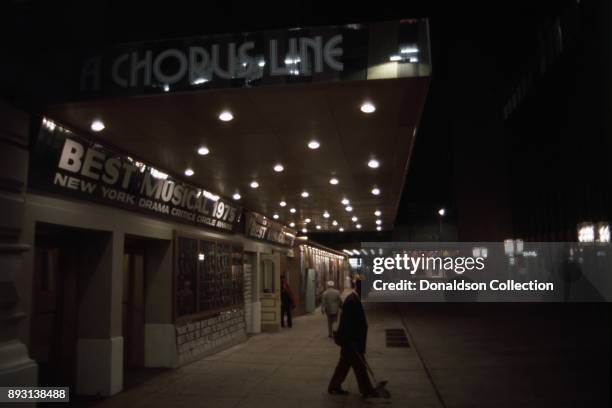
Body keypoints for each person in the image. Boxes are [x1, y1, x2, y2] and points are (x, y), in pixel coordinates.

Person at [328, 280, 380, 398]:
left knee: (345, 364)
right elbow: (347, 323)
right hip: (352, 341)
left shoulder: (354, 299)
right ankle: (366, 389)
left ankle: (334, 386)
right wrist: (351, 341)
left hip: (352, 340)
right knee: (359, 366)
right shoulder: (352, 301)